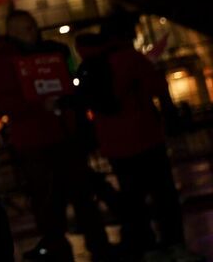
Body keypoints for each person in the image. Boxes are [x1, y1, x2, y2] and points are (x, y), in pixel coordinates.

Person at [0, 10, 113, 262]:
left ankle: (98, 247)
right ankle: (61, 250)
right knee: (48, 201)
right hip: (34, 140)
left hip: (61, 134)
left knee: (81, 195)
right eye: (25, 28)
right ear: (12, 32)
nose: (32, 31)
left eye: (32, 26)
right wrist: (35, 106)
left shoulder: (48, 51)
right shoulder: (2, 61)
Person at [75, 17, 202, 262]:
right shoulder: (131, 59)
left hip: (114, 144)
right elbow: (157, 87)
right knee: (164, 195)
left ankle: (146, 247)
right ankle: (174, 244)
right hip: (145, 137)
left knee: (133, 199)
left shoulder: (90, 63)